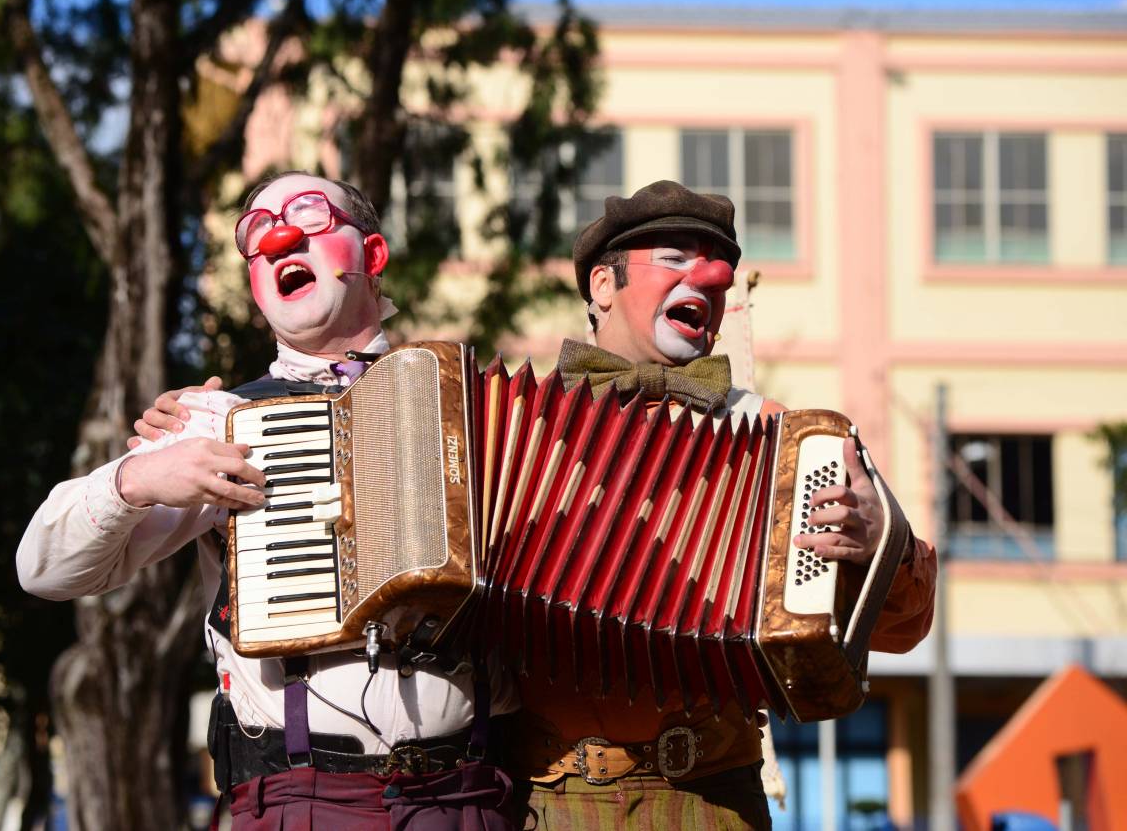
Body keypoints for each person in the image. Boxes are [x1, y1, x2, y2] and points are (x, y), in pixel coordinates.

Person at [133, 180, 938, 830]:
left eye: (721, 266)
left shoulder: (774, 442)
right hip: (550, 804)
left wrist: (883, 547)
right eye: (678, 257)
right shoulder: (495, 427)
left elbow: (899, 627)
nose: (713, 278)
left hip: (715, 801)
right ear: (602, 284)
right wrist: (208, 423)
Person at [17, 172, 517, 830]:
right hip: (305, 801)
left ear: (372, 257)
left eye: (309, 217)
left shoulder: (483, 416)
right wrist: (137, 481)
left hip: (473, 798)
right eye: (258, 233)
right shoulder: (218, 423)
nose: (280, 237)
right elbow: (43, 568)